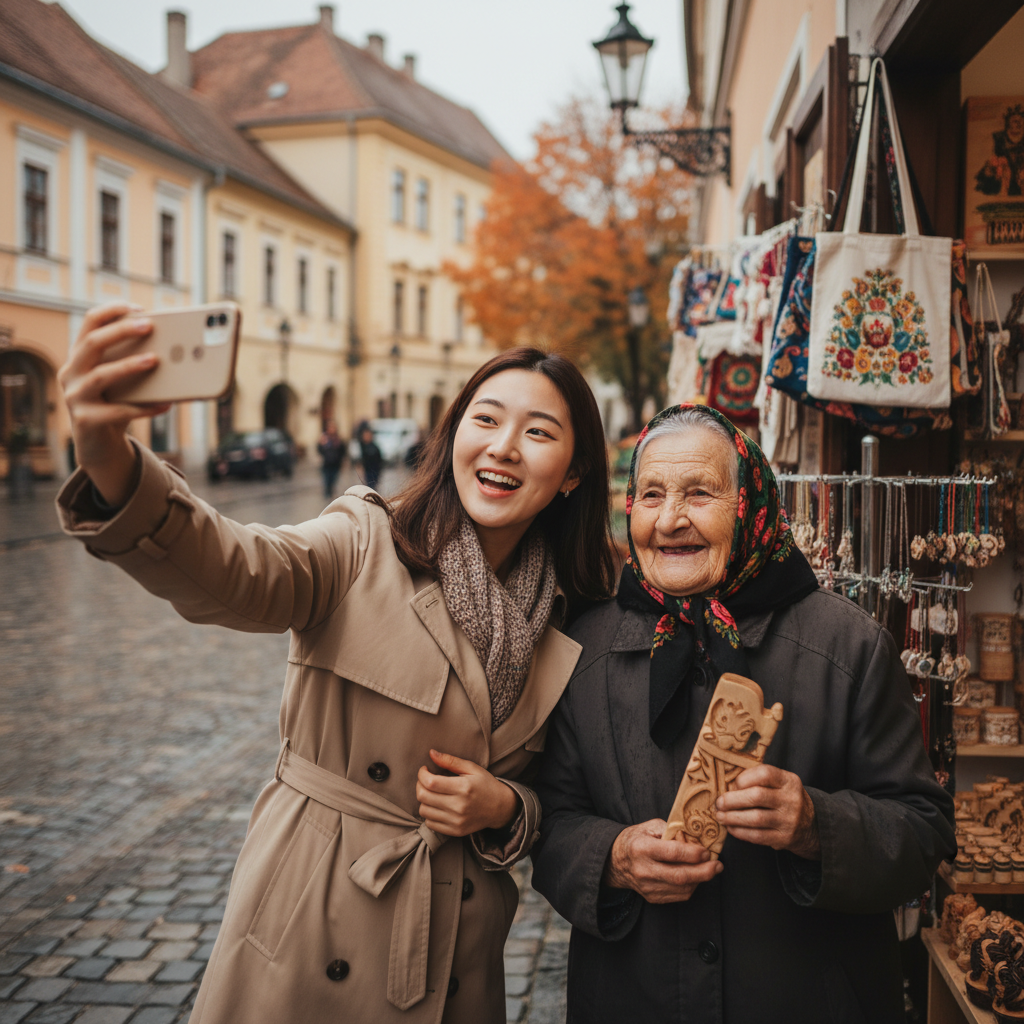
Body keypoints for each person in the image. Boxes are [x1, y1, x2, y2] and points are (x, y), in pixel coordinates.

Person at [55, 303, 615, 1024]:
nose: (504, 446)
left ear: (572, 474)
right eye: (486, 420)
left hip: (458, 954)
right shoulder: (362, 541)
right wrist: (110, 459)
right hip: (314, 923)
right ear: (451, 440)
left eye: (539, 433)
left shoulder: (576, 614)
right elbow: (236, 568)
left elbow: (563, 793)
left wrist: (506, 807)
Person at [531, 404, 956, 1024]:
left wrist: (816, 823)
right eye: (651, 494)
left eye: (700, 493)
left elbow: (924, 833)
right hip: (633, 998)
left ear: (750, 504)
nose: (670, 519)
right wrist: (614, 856)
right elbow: (549, 823)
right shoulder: (583, 649)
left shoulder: (847, 644)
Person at [316, 418, 345, 499]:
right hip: (326, 463)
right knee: (327, 480)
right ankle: (327, 494)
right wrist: (321, 444)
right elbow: (319, 449)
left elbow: (342, 451)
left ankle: (331, 493)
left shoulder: (338, 439)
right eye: (330, 427)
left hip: (336, 463)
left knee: (334, 480)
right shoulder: (324, 438)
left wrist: (343, 461)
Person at [358, 424, 383, 491]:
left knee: (373, 486)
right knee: (369, 486)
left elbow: (379, 459)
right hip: (367, 470)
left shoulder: (375, 447)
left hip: (375, 470)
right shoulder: (362, 446)